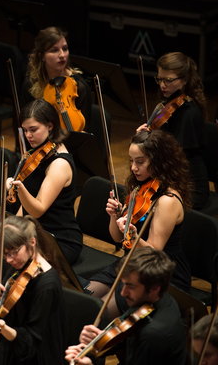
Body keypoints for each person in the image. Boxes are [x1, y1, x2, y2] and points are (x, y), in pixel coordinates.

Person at [87, 129, 191, 306]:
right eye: (131, 161)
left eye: (140, 162)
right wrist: (115, 216)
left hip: (158, 274)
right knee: (87, 299)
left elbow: (153, 252)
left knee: (103, 310)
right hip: (131, 262)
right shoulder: (139, 188)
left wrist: (133, 236)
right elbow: (118, 238)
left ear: (159, 161)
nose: (134, 167)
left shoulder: (167, 201)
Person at [65, 247, 186, 365]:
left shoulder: (153, 335)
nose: (123, 293)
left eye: (131, 286)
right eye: (123, 284)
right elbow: (121, 337)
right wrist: (96, 342)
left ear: (154, 288)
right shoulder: (152, 300)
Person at [0, 215, 66, 365]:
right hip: (11, 346)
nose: (8, 259)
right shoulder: (19, 264)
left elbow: (31, 343)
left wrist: (3, 328)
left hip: (34, 356)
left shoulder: (47, 286)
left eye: (13, 252)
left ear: (32, 242)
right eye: (4, 254)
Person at [7, 99, 82, 264]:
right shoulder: (38, 153)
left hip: (59, 239)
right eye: (25, 130)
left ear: (50, 125)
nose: (28, 136)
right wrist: (11, 228)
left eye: (33, 130)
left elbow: (37, 210)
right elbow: (27, 204)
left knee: (17, 261)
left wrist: (19, 189)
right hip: (34, 231)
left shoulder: (59, 164)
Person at [137, 51, 209, 210]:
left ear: (184, 81)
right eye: (159, 79)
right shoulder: (169, 103)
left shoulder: (189, 113)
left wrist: (147, 142)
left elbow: (176, 158)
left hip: (189, 186)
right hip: (171, 178)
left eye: (168, 80)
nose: (162, 85)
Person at [21, 26, 92, 132]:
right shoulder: (30, 85)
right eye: (54, 50)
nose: (62, 55)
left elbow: (85, 132)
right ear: (42, 56)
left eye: (65, 49)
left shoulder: (79, 86)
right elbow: (24, 125)